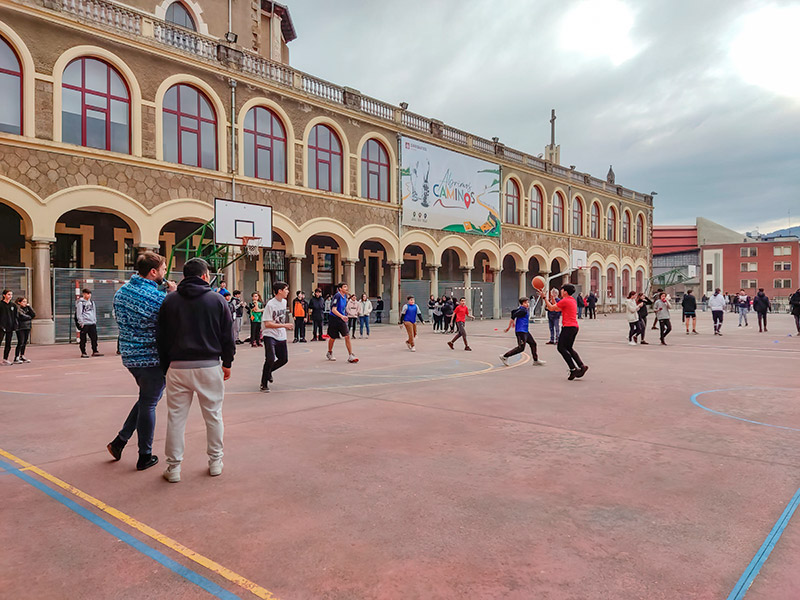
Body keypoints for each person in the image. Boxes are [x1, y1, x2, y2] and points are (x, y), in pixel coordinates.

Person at [157, 258, 235, 483]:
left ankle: (173, 468)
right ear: (204, 276)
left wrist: (166, 367)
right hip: (209, 366)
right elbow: (227, 336)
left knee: (176, 418)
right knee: (213, 415)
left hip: (177, 367)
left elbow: (161, 337)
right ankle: (215, 462)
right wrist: (227, 363)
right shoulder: (218, 300)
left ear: (184, 277)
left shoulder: (170, 301)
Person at [107, 251, 176, 471]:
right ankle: (144, 455)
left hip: (129, 354)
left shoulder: (121, 292)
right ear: (154, 272)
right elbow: (171, 318)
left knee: (146, 398)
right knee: (150, 402)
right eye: (163, 269)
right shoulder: (158, 297)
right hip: (151, 357)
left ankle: (120, 441)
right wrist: (173, 294)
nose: (165, 273)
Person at [543, 283, 587, 380]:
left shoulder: (565, 300)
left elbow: (551, 308)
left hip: (568, 327)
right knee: (569, 348)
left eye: (562, 290)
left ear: (565, 292)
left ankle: (573, 369)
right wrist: (551, 298)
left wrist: (544, 298)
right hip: (574, 327)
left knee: (561, 348)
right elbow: (557, 308)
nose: (561, 291)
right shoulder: (571, 300)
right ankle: (581, 366)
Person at [260, 281, 293, 393]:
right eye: (286, 289)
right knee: (270, 358)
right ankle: (264, 383)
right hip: (269, 334)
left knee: (283, 359)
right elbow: (267, 324)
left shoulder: (284, 302)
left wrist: (283, 327)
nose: (288, 291)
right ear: (279, 291)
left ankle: (268, 371)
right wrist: (284, 325)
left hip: (281, 335)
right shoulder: (270, 304)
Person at [500, 297, 545, 366]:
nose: (527, 304)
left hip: (525, 331)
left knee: (533, 344)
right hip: (521, 332)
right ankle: (505, 356)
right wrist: (509, 327)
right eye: (526, 303)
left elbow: (513, 312)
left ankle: (535, 360)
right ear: (522, 304)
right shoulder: (522, 311)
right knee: (521, 348)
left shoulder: (523, 309)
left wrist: (514, 322)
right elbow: (513, 315)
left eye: (527, 302)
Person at [326, 282, 359, 363]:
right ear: (340, 288)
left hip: (341, 319)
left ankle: (350, 355)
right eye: (344, 287)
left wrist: (344, 316)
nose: (346, 288)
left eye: (347, 287)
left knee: (347, 336)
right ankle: (329, 352)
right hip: (334, 318)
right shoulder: (337, 296)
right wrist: (342, 316)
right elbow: (333, 309)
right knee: (333, 337)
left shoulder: (345, 297)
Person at [76, 288, 102, 358]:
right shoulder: (80, 303)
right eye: (87, 294)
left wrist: (94, 320)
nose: (89, 295)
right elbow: (79, 313)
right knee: (83, 339)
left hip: (92, 323)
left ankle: (95, 351)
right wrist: (81, 322)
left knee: (94, 338)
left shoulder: (92, 302)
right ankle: (83, 352)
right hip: (85, 323)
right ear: (84, 294)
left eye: (90, 294)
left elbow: (94, 312)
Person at [13, 297, 35, 364]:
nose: (25, 303)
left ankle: (22, 355)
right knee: (20, 342)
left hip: (27, 326)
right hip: (20, 327)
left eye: (26, 301)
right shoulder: (17, 308)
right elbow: (22, 316)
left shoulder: (27, 308)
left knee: (25, 342)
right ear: (19, 302)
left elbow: (33, 314)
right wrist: (29, 317)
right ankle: (16, 357)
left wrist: (29, 307)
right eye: (23, 302)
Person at [0, 289, 18, 365]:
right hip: (1, 327)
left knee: (8, 343)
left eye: (11, 295)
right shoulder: (0, 304)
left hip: (9, 327)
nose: (10, 296)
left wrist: (15, 325)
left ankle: (5, 359)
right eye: (8, 294)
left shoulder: (13, 305)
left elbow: (15, 316)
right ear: (4, 295)